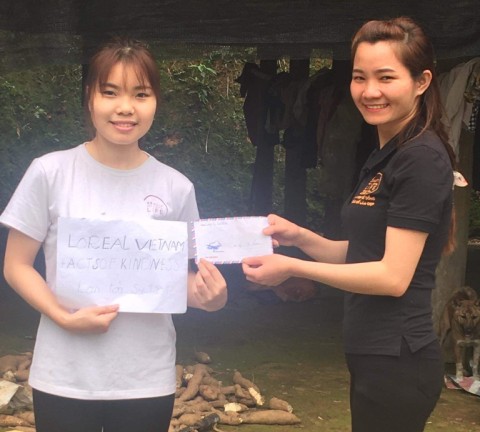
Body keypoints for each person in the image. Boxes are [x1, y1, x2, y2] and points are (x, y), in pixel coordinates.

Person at [1, 38, 227, 432]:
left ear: (155, 102)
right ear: (90, 97)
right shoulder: (50, 173)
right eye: (110, 92)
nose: (125, 107)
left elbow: (178, 282)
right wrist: (63, 317)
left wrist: (212, 298)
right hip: (64, 375)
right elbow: (16, 266)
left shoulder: (176, 187)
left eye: (141, 94)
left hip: (145, 378)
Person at [242, 17, 456, 432]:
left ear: (422, 81)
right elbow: (363, 253)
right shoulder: (386, 154)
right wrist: (299, 237)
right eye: (360, 77)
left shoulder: (421, 159)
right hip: (373, 354)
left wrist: (293, 267)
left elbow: (392, 277)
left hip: (398, 359)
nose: (369, 90)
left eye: (386, 77)